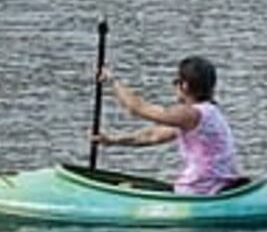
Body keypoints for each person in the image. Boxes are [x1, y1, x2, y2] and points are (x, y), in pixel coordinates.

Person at [93, 56, 244, 195]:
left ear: (185, 86)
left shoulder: (191, 114)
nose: (174, 85)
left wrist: (112, 81)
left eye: (176, 81)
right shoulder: (209, 113)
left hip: (200, 189)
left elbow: (138, 108)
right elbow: (152, 136)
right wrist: (113, 140)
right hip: (217, 185)